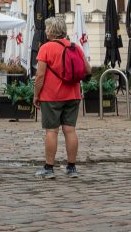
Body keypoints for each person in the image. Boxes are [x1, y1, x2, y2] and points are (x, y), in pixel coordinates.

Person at [33, 16, 90, 179]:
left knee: (52, 131)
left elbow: (40, 76)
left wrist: (36, 95)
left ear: (51, 31)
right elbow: (87, 69)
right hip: (73, 94)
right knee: (70, 130)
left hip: (52, 96)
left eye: (46, 29)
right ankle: (72, 168)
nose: (45, 31)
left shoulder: (46, 48)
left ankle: (49, 168)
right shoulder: (75, 46)